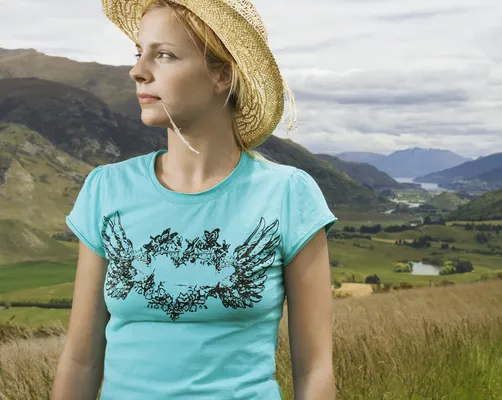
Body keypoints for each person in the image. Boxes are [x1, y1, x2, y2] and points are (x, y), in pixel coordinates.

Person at [50, 1, 338, 399]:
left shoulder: (289, 194)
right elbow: (80, 361)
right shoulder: (106, 189)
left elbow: (316, 369)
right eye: (139, 53)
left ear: (222, 75)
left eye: (163, 55)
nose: (138, 71)